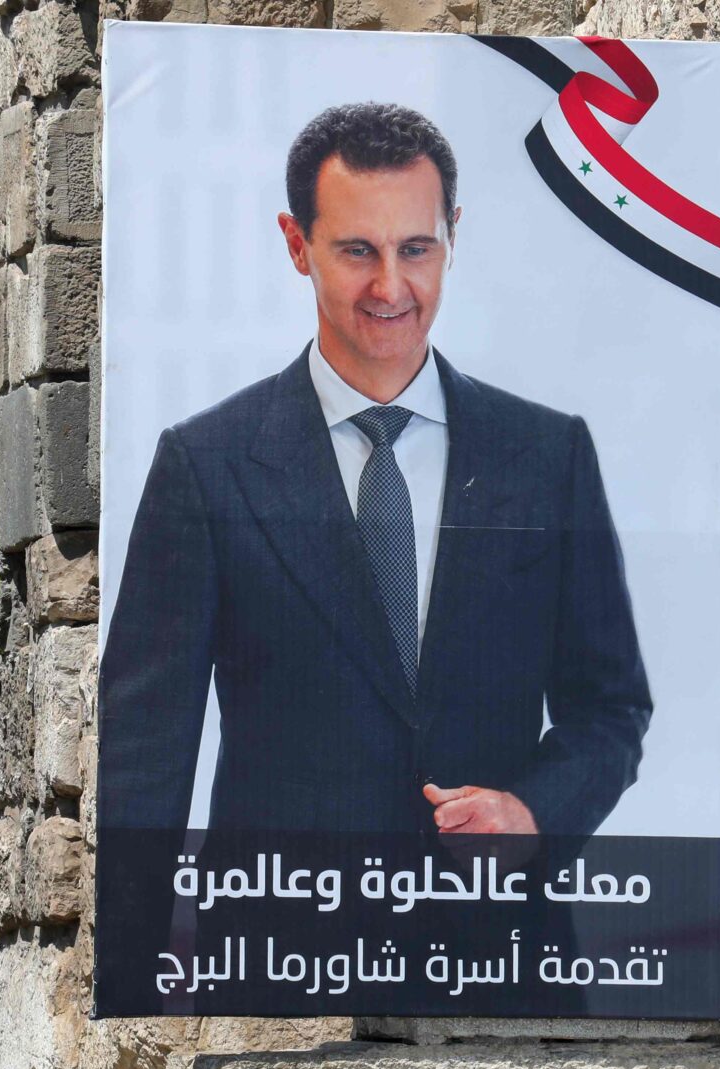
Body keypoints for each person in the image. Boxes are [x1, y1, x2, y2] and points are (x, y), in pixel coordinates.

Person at [100, 102, 652, 849]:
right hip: (281, 946)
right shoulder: (206, 465)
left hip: (497, 947)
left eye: (417, 249)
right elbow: (145, 753)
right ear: (297, 245)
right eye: (358, 250)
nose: (392, 287)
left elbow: (612, 707)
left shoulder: (549, 456)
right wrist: (139, 964)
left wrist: (534, 810)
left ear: (454, 235)